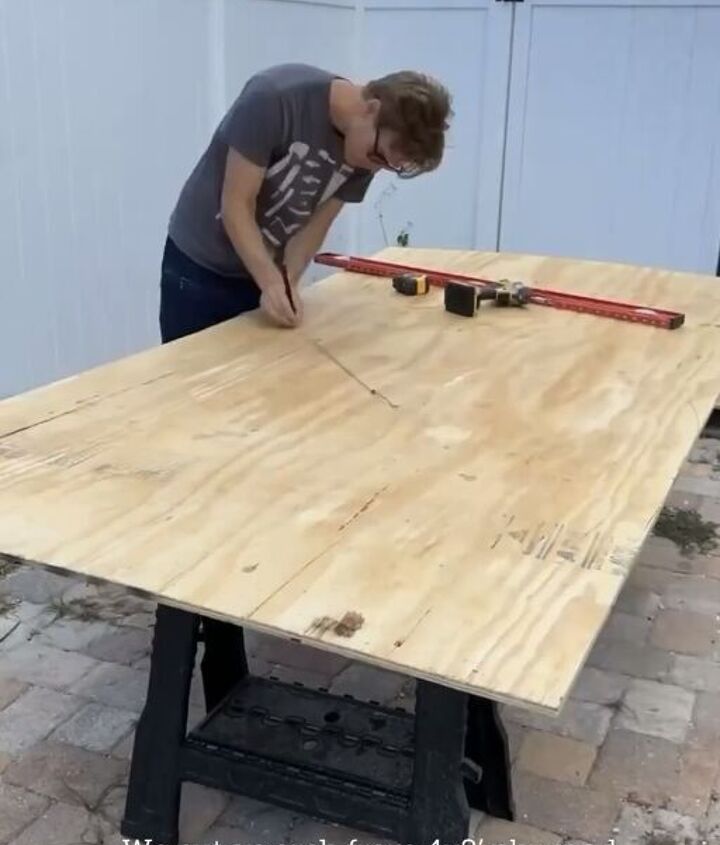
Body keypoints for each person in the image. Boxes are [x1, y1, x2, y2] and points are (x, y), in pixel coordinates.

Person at [158, 63, 452, 343]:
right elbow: (236, 206)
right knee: (190, 373)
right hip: (198, 266)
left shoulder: (368, 151)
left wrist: (287, 283)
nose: (375, 168)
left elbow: (316, 226)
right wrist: (271, 282)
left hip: (260, 270)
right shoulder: (274, 98)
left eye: (388, 166)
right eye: (378, 156)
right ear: (372, 109)